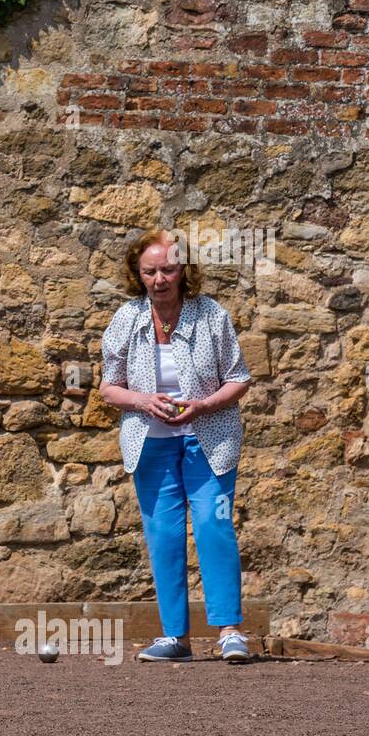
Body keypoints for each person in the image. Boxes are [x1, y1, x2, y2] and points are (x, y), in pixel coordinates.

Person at [99, 229, 253, 663]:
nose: (160, 278)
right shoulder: (127, 318)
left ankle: (229, 632)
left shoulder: (211, 315)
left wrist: (201, 406)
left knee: (212, 526)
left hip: (209, 441)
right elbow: (109, 388)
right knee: (163, 535)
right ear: (138, 274)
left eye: (168, 268)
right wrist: (144, 401)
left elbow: (239, 378)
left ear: (184, 270)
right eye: (151, 271)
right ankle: (175, 638)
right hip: (151, 445)